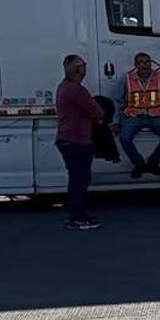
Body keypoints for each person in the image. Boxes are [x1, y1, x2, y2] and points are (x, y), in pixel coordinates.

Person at [55, 54, 104, 230]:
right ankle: (77, 217)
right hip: (77, 140)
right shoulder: (77, 90)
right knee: (80, 180)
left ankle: (77, 214)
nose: (85, 68)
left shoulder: (63, 87)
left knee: (76, 179)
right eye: (83, 65)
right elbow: (97, 111)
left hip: (66, 139)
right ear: (78, 69)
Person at [115, 53, 160, 178]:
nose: (145, 65)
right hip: (134, 117)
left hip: (156, 117)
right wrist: (118, 120)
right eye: (141, 62)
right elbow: (117, 100)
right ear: (136, 65)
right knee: (124, 138)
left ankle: (153, 162)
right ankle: (140, 165)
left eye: (147, 62)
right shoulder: (126, 79)